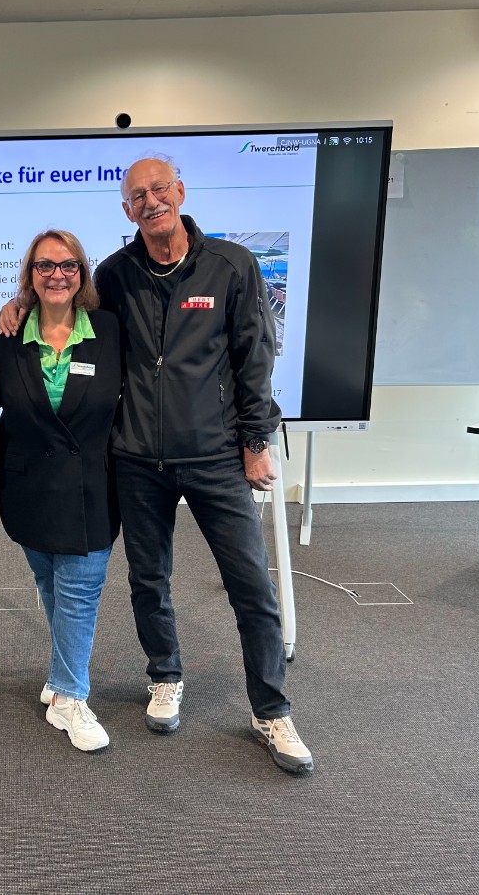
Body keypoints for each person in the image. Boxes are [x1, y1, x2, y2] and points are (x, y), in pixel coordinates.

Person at [92, 155, 313, 773]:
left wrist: (256, 439)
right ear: (127, 209)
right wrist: (4, 311)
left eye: (159, 188)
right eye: (138, 195)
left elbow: (255, 356)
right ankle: (165, 675)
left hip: (215, 456)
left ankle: (270, 710)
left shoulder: (231, 265)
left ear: (181, 192)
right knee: (148, 581)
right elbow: (71, 325)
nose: (151, 201)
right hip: (138, 458)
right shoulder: (114, 274)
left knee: (252, 587)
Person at [0, 230, 122, 753]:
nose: (57, 275)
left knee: (79, 593)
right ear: (30, 274)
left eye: (68, 265)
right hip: (28, 489)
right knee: (51, 585)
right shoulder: (7, 332)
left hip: (91, 487)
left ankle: (70, 696)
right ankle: (59, 677)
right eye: (44, 266)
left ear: (82, 273)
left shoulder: (109, 329)